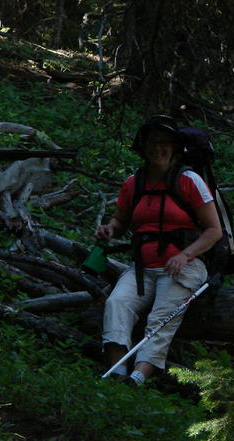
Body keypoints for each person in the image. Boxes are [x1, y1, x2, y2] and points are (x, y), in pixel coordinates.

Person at [95, 115, 222, 385]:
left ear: (175, 148)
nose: (158, 149)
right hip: (142, 268)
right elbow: (121, 221)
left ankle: (138, 377)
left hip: (184, 267)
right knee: (117, 304)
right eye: (152, 143)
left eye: (164, 143)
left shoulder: (189, 181)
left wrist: (184, 255)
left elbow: (214, 231)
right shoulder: (134, 183)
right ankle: (117, 374)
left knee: (161, 319)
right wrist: (110, 229)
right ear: (143, 148)